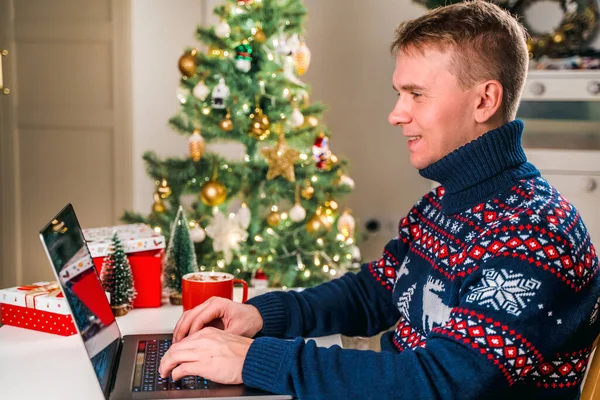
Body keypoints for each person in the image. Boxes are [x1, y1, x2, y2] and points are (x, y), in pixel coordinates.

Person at [159, 1, 600, 398]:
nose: (396, 113)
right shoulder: (443, 203)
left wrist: (253, 360)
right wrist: (260, 316)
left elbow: (437, 382)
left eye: (416, 94)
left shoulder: (534, 234)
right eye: (399, 93)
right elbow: (374, 292)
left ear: (485, 100)